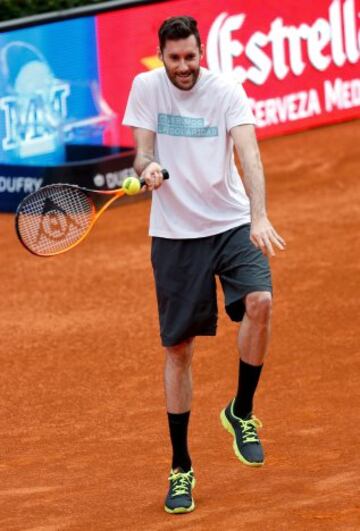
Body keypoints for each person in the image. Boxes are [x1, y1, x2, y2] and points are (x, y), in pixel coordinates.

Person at [122, 15, 286, 515]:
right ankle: (181, 467)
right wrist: (146, 167)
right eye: (174, 58)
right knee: (178, 349)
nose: (184, 66)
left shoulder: (225, 91)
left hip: (231, 221)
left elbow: (249, 153)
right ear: (162, 55)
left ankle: (241, 411)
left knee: (260, 302)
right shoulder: (146, 86)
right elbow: (141, 152)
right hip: (175, 234)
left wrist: (258, 215)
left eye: (190, 56)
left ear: (200, 52)